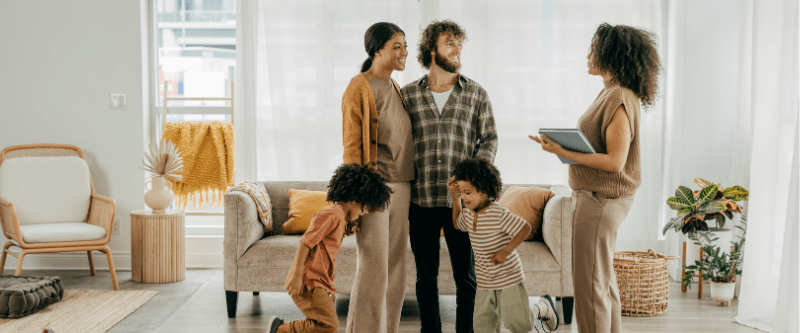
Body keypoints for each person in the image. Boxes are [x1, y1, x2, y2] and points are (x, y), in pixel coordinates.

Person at [530, 23, 661, 333]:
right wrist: (563, 149)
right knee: (602, 283)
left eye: (594, 50)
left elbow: (615, 162)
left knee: (590, 289)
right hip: (596, 199)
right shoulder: (613, 93)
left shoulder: (618, 97)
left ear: (611, 56)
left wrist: (562, 150)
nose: (588, 55)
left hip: (600, 202)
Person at [400, 19, 498, 333]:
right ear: (431, 50)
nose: (457, 50)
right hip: (421, 200)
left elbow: (490, 139)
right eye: (450, 43)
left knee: (466, 278)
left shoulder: (476, 94)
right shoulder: (408, 95)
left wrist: (473, 179)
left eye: (459, 43)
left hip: (463, 205)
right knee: (425, 279)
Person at [341, 22, 413, 333]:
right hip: (375, 188)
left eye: (405, 46)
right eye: (397, 46)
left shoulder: (396, 87)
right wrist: (352, 201)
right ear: (377, 50)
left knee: (396, 269)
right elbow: (352, 150)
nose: (404, 53)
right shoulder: (359, 88)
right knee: (373, 269)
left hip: (403, 185)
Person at [266, 164, 394, 333]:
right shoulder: (332, 214)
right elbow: (306, 242)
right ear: (355, 199)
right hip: (310, 280)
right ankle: (279, 329)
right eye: (362, 210)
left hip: (322, 281)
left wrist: (349, 227)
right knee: (329, 325)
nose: (362, 215)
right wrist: (297, 275)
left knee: (325, 326)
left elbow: (329, 239)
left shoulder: (339, 217)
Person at [448, 158, 559, 333]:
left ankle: (542, 307)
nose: (464, 198)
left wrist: (505, 250)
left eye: (467, 193)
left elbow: (524, 228)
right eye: (462, 193)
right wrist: (455, 199)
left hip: (508, 278)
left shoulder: (497, 212)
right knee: (482, 328)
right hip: (484, 281)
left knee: (520, 325)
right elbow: (457, 224)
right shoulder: (469, 214)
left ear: (483, 190)